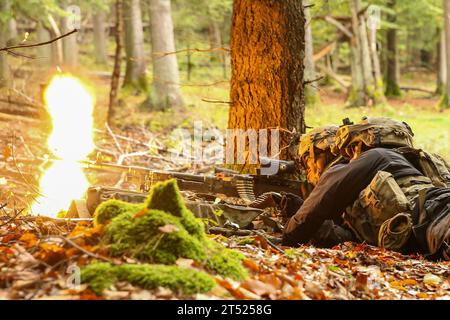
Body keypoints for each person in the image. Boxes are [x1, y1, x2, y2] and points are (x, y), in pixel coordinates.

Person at [283, 117, 450, 260]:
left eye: (352, 148)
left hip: (438, 217)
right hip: (431, 229)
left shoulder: (375, 156)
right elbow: (352, 239)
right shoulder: (397, 163)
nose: (349, 154)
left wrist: (287, 236)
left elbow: (318, 207)